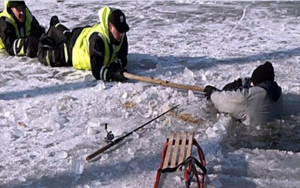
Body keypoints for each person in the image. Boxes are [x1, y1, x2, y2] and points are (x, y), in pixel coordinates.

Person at [37, 6, 129, 82]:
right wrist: (112, 75)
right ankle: (44, 36)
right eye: (118, 30)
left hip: (82, 34)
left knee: (67, 35)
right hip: (72, 48)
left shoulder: (122, 36)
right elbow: (96, 70)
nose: (121, 34)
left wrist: (116, 64)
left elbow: (122, 57)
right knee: (45, 57)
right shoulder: (98, 39)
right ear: (110, 26)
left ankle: (55, 25)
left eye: (123, 30)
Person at [204, 61, 283, 125]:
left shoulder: (248, 97)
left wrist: (212, 93)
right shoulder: (278, 92)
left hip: (252, 140)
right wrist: (240, 83)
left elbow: (223, 101)